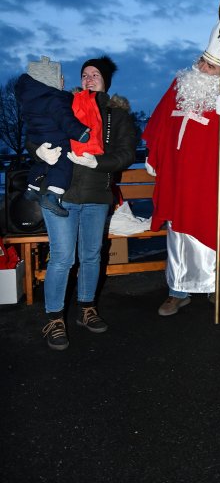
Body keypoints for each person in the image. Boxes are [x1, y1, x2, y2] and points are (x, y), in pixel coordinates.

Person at [143, 5, 220, 316]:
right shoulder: (179, 86)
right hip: (178, 178)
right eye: (203, 61)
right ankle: (176, 292)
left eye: (212, 65)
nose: (204, 68)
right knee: (178, 234)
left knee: (213, 230)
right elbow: (160, 125)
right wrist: (154, 157)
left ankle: (215, 290)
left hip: (212, 180)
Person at [29, 55, 137, 349]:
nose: (89, 78)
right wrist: (39, 152)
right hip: (59, 196)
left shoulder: (118, 115)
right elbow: (35, 132)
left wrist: (97, 161)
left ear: (105, 82)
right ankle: (54, 318)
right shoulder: (63, 104)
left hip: (97, 196)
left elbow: (127, 154)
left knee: (91, 256)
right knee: (63, 258)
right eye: (85, 74)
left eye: (95, 75)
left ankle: (86, 309)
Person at [15, 55, 97, 217]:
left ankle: (32, 187)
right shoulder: (56, 99)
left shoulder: (29, 101)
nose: (63, 82)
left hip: (38, 136)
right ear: (50, 80)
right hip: (56, 138)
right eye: (60, 78)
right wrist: (80, 133)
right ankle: (54, 195)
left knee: (43, 164)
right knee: (63, 164)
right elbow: (65, 120)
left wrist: (37, 150)